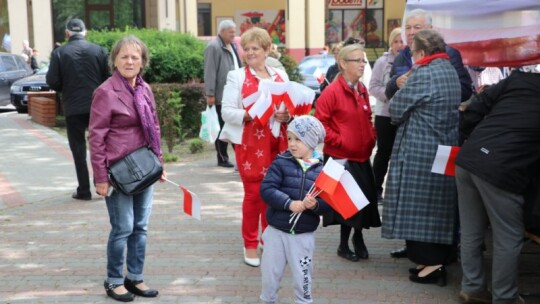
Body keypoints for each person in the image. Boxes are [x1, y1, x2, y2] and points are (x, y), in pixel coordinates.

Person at [384, 8, 472, 259]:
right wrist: (398, 83)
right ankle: (417, 248)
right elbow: (392, 87)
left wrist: (409, 87)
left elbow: (398, 107)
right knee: (434, 197)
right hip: (443, 136)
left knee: (424, 198)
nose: (411, 33)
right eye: (408, 28)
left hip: (425, 141)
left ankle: (434, 255)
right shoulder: (409, 57)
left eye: (417, 28)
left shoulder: (445, 58)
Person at [89, 35, 165, 302]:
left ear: (142, 62)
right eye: (124, 56)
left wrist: (159, 164)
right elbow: (96, 137)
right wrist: (100, 177)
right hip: (118, 172)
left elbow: (154, 127)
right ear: (115, 61)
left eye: (135, 57)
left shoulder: (145, 89)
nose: (130, 61)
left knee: (141, 227)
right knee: (123, 227)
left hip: (144, 168)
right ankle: (113, 280)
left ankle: (135, 277)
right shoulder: (105, 92)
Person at [455, 64, 540, 304]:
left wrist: (474, 137)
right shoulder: (518, 79)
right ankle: (505, 297)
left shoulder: (518, 79)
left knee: (471, 230)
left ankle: (472, 289)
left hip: (470, 158)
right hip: (502, 167)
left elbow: (475, 107)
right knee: (509, 236)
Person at [381, 30, 460, 286]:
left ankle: (433, 263)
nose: (411, 56)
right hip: (445, 147)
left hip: (421, 149)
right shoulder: (449, 70)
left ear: (422, 53)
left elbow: (395, 107)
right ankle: (434, 259)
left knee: (419, 205)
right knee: (438, 204)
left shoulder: (424, 73)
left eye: (412, 51)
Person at [220, 27, 291, 267]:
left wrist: (287, 116)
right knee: (253, 195)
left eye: (255, 48)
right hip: (251, 143)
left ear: (267, 49)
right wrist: (250, 114)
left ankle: (267, 239)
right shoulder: (237, 76)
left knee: (275, 193)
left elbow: (291, 107)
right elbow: (226, 111)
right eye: (246, 48)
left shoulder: (280, 75)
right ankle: (250, 244)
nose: (250, 53)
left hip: (279, 141)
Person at [314, 43, 381, 262]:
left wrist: (371, 137)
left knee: (361, 200)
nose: (363, 64)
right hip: (341, 157)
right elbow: (320, 123)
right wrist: (341, 141)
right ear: (343, 64)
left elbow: (368, 117)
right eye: (358, 60)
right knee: (346, 203)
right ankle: (343, 245)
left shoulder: (361, 89)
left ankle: (358, 238)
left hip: (361, 155)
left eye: (364, 60)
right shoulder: (332, 92)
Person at [259, 115, 331, 304]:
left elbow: (328, 204)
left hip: (303, 236)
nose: (292, 144)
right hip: (276, 231)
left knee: (303, 274)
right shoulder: (281, 162)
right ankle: (268, 300)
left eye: (298, 139)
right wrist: (288, 203)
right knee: (270, 273)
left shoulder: (323, 171)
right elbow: (267, 189)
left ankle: (303, 300)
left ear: (311, 141)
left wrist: (315, 205)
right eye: (289, 138)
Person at [46, 18, 109, 201]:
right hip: (97, 107)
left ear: (67, 34)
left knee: (78, 149)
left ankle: (83, 190)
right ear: (85, 32)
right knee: (100, 145)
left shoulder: (59, 53)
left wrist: (65, 88)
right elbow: (108, 78)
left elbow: (52, 81)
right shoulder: (99, 50)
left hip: (73, 107)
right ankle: (101, 185)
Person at [369, 27, 404, 203]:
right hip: (385, 114)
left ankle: (398, 191)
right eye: (395, 41)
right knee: (384, 153)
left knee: (402, 154)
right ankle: (375, 189)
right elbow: (373, 86)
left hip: (405, 115)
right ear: (391, 43)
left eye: (402, 41)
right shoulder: (383, 62)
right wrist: (389, 94)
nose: (399, 45)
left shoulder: (412, 60)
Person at [204, 19, 242, 168]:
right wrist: (210, 93)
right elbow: (210, 72)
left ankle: (238, 157)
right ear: (223, 31)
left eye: (234, 31)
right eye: (231, 32)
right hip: (221, 94)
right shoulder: (213, 47)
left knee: (233, 126)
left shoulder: (232, 45)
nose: (234, 34)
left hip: (235, 93)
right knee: (221, 127)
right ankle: (222, 158)